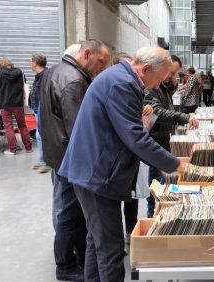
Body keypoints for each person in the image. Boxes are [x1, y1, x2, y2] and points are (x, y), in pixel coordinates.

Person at [58, 46, 186, 282]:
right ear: (145, 68)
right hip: (97, 174)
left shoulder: (121, 78)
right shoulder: (122, 84)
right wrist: (174, 163)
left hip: (94, 171)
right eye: (158, 79)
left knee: (97, 242)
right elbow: (135, 137)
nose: (158, 86)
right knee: (110, 249)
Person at [40, 39, 110, 281]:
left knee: (70, 212)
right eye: (101, 62)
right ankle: (66, 266)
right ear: (87, 53)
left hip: (57, 154)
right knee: (70, 214)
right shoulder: (74, 81)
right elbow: (80, 129)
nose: (102, 68)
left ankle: (76, 259)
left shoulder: (56, 71)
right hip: (69, 159)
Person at [143, 54, 199, 217]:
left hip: (161, 137)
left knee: (160, 181)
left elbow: (163, 104)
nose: (172, 77)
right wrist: (185, 117)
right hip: (153, 138)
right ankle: (152, 216)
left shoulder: (163, 86)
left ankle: (155, 213)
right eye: (171, 73)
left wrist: (174, 86)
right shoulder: (152, 86)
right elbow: (157, 112)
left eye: (175, 74)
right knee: (156, 183)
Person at [112, 51, 142, 244]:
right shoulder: (120, 87)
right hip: (116, 160)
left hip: (131, 156)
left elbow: (138, 127)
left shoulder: (132, 87)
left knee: (133, 197)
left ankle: (131, 230)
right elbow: (133, 133)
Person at [0, 57, 32, 155]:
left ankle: (13, 150)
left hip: (5, 104)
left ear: (0, 65)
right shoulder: (20, 72)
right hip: (18, 103)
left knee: (8, 126)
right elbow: (24, 84)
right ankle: (29, 148)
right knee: (22, 125)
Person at [28, 52, 50, 173]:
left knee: (42, 135)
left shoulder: (45, 76)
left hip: (43, 110)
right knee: (39, 135)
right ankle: (42, 161)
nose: (29, 63)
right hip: (38, 110)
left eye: (30, 61)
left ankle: (46, 162)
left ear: (35, 63)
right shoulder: (40, 75)